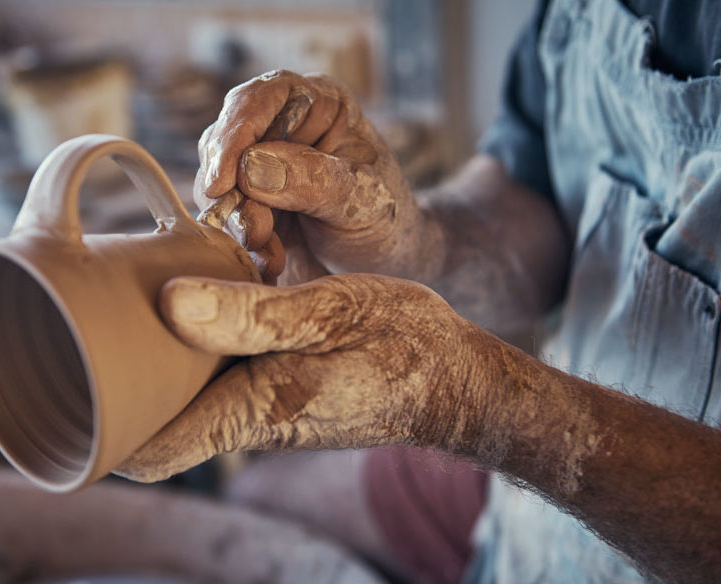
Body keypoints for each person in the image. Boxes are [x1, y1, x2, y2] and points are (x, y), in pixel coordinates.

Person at [117, 0, 721, 582]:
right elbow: (547, 199)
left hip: (601, 480)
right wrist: (415, 239)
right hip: (526, 510)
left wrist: (473, 408)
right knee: (252, 491)